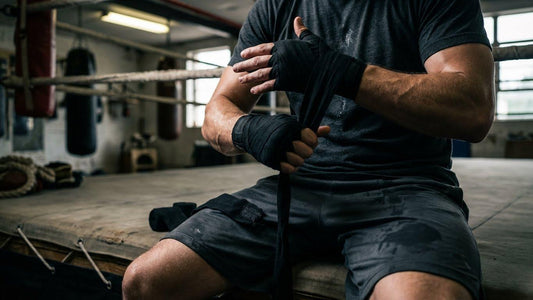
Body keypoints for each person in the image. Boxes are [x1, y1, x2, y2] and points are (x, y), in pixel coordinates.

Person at [122, 0, 494, 299]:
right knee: (145, 282)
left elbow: (473, 109)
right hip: (300, 187)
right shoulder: (276, 7)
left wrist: (342, 72)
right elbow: (216, 114)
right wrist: (249, 131)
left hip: (406, 189)